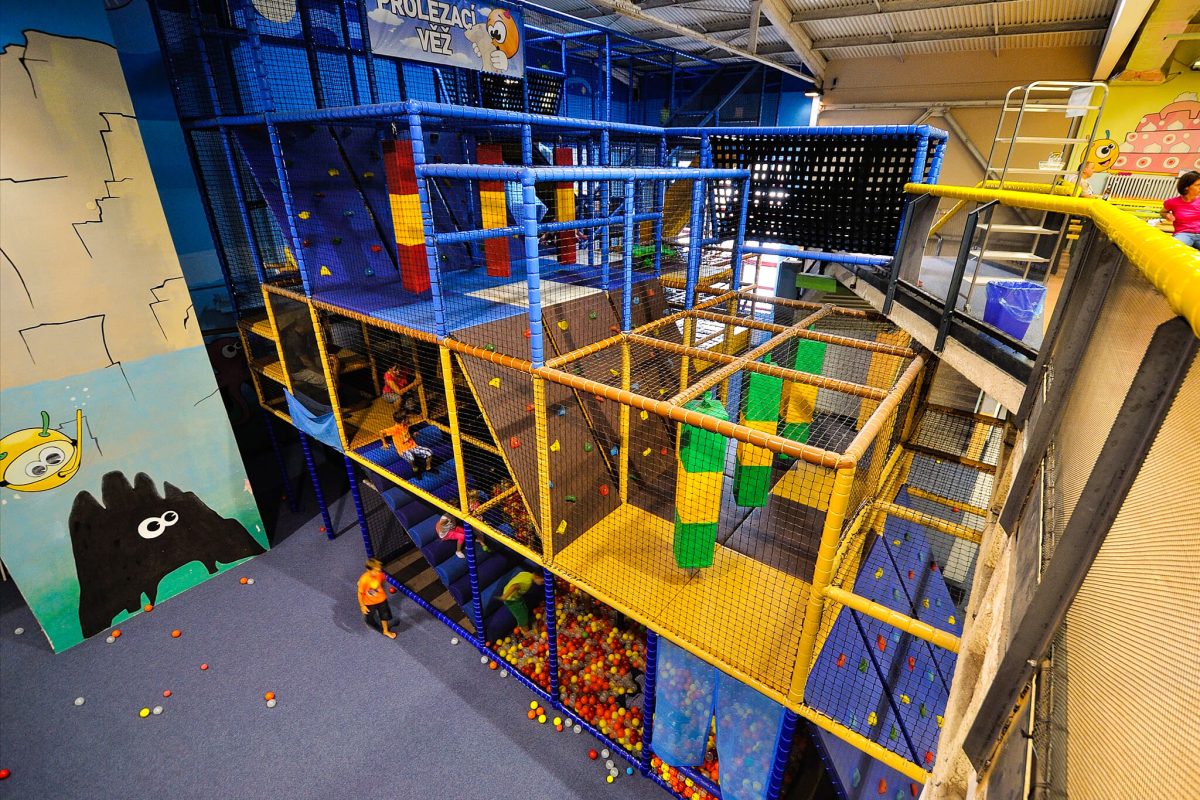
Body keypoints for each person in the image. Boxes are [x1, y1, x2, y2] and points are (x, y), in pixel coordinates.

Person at [378, 410, 433, 478]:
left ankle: (428, 468)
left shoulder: (405, 425)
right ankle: (415, 469)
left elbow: (406, 432)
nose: (408, 419)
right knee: (411, 458)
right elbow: (381, 432)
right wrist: (384, 443)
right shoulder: (394, 429)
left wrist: (412, 434)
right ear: (403, 420)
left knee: (429, 453)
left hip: (413, 446)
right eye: (407, 418)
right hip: (403, 449)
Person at [434, 491, 485, 559]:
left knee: (466, 531)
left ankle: (468, 544)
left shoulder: (453, 513)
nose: (457, 509)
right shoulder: (446, 518)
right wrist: (441, 531)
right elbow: (439, 524)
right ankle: (458, 551)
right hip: (447, 533)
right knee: (462, 536)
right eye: (455, 508)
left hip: (453, 528)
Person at [357, 558, 397, 639]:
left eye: (379, 570)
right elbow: (360, 594)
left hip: (381, 600)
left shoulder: (380, 574)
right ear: (368, 570)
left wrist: (380, 589)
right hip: (369, 603)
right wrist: (362, 606)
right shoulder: (364, 580)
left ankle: (386, 631)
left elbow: (382, 580)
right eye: (375, 571)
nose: (378, 572)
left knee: (384, 615)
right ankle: (369, 621)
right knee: (369, 619)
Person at [1163, 171, 1200, 249]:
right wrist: (1167, 215)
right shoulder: (1172, 202)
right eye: (1197, 185)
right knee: (1174, 248)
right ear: (1186, 187)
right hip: (1183, 234)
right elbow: (1162, 212)